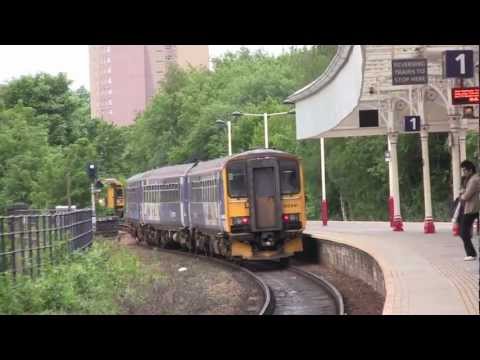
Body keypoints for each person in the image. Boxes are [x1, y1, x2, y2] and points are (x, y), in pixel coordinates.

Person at [458, 160, 479, 261]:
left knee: (463, 231)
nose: (464, 173)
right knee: (463, 230)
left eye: (465, 170)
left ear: (470, 170)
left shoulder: (474, 180)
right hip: (469, 208)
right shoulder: (469, 179)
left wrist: (462, 193)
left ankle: (471, 253)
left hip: (472, 209)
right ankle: (471, 253)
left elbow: (466, 196)